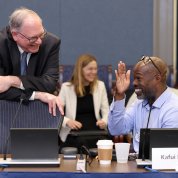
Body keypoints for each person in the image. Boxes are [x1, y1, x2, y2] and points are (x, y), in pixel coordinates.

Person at [108, 56, 178, 153]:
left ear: (157, 78)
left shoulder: (174, 108)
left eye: (139, 78)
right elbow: (116, 129)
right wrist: (119, 95)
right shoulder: (139, 103)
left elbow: (167, 151)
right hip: (138, 164)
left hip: (161, 166)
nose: (134, 83)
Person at [0, 7, 63, 115]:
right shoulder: (1, 44)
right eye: (33, 38)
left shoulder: (51, 43)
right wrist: (37, 95)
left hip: (36, 113)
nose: (39, 41)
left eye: (42, 34)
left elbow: (49, 84)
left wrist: (13, 80)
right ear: (15, 35)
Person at [59, 54, 109, 150]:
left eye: (95, 69)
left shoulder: (100, 86)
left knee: (104, 145)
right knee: (81, 144)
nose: (93, 72)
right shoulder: (66, 87)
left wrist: (104, 121)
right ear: (80, 70)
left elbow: (107, 112)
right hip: (74, 133)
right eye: (90, 69)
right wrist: (68, 121)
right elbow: (57, 113)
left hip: (96, 131)